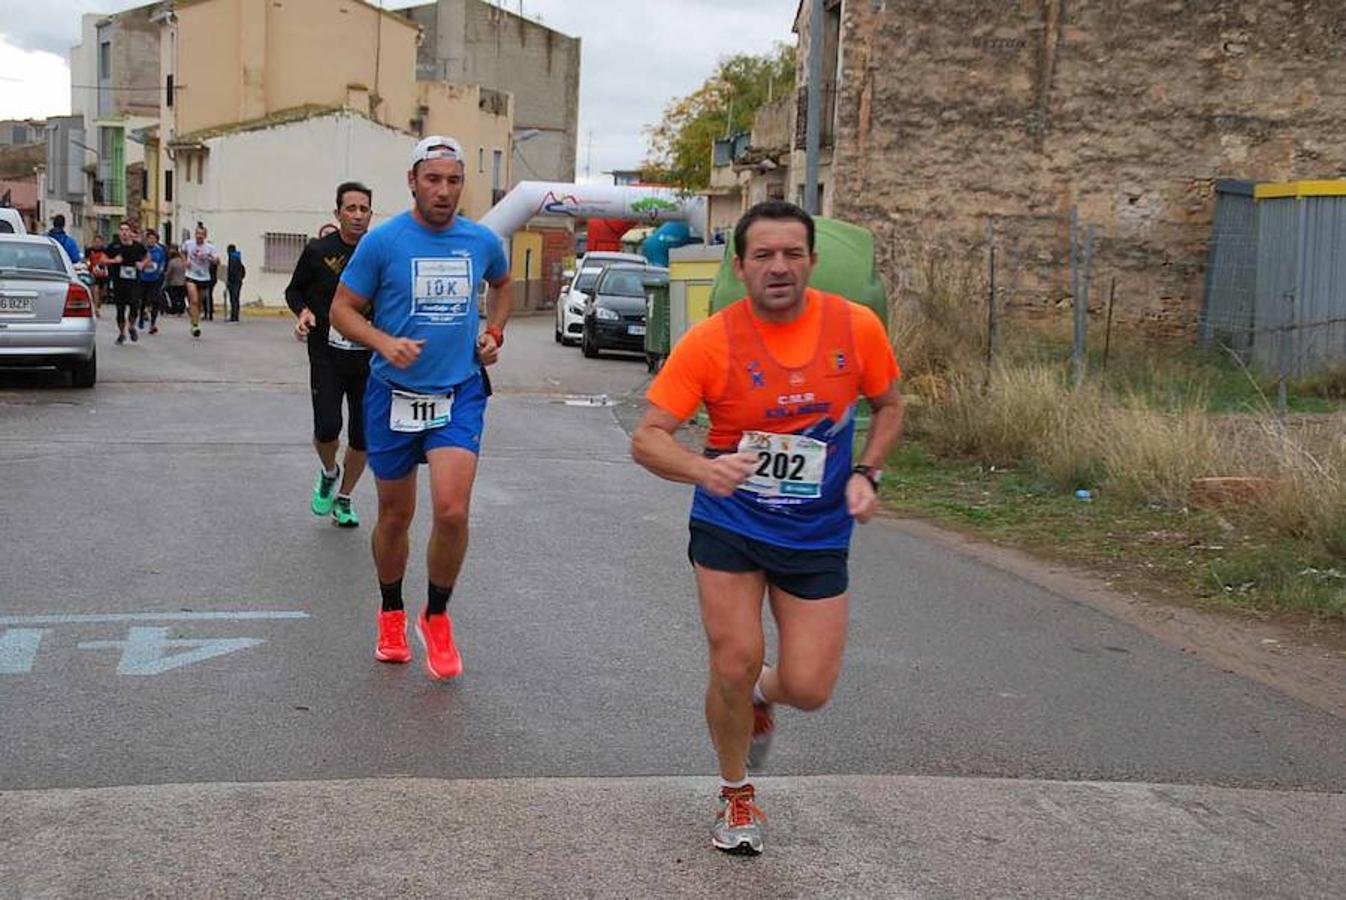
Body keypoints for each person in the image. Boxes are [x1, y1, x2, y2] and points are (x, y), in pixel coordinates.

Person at [630, 201, 905, 856]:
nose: (778, 267)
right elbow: (647, 438)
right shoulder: (712, 340)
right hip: (733, 523)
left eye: (791, 254)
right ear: (741, 265)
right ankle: (736, 796)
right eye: (763, 255)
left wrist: (868, 471)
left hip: (817, 531)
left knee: (809, 688)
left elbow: (889, 406)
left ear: (811, 260)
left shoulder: (855, 327)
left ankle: (761, 690)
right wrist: (704, 469)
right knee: (732, 657)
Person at [329, 136, 511, 677]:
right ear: (413, 181)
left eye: (453, 180)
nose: (444, 191)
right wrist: (383, 343)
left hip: (458, 393)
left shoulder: (480, 240)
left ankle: (436, 614)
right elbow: (342, 310)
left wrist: (494, 331)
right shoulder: (384, 242)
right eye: (433, 179)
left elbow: (502, 286)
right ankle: (391, 611)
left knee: (452, 510)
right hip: (393, 396)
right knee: (396, 515)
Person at [285, 182, 375, 529]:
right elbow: (294, 290)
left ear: (371, 214)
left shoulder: (379, 251)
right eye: (350, 208)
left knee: (362, 434)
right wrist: (303, 312)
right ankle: (329, 472)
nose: (356, 215)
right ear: (337, 213)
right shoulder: (318, 250)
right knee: (327, 427)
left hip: (368, 356)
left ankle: (345, 498)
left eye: (363, 209)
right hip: (326, 351)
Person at [103, 221, 147, 345]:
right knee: (120, 310)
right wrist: (113, 260)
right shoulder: (113, 246)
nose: (124, 233)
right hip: (119, 283)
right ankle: (122, 333)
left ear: (130, 232)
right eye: (122, 230)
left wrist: (142, 264)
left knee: (134, 306)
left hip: (134, 283)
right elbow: (103, 260)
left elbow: (148, 257)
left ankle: (131, 327)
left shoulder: (138, 246)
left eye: (126, 230)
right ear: (119, 232)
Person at [181, 223, 219, 338]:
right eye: (197, 233)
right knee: (194, 300)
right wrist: (185, 261)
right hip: (191, 275)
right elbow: (182, 252)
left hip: (204, 277)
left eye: (202, 234)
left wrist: (208, 257)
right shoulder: (188, 244)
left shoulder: (210, 248)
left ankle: (194, 317)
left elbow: (217, 261)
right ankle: (195, 325)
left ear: (205, 235)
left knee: (200, 302)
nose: (199, 236)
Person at [137, 228, 168, 334]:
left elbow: (163, 262)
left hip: (155, 279)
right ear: (146, 240)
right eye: (149, 239)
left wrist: (161, 270)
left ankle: (153, 324)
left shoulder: (160, 250)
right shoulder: (142, 250)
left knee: (155, 300)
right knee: (142, 300)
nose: (151, 241)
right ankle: (141, 317)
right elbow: (138, 261)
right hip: (143, 278)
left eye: (153, 239)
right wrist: (144, 265)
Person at [86, 234, 109, 316]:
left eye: (99, 242)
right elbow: (87, 260)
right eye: (96, 242)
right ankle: (96, 308)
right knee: (95, 290)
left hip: (103, 274)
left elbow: (108, 260)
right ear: (93, 242)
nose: (97, 243)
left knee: (103, 292)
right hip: (93, 273)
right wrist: (89, 267)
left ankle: (99, 302)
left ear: (102, 243)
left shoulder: (105, 250)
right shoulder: (89, 250)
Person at [225, 244, 246, 322]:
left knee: (233, 299)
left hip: (234, 282)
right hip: (238, 281)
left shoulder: (232, 259)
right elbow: (243, 270)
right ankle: (235, 316)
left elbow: (231, 272)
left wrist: (229, 281)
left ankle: (234, 317)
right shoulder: (238, 258)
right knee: (235, 299)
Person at [164, 246, 187, 315]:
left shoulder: (172, 262)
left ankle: (175, 309)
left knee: (174, 297)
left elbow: (169, 273)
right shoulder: (183, 261)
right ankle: (181, 309)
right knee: (181, 297)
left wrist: (166, 280)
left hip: (174, 282)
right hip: (183, 282)